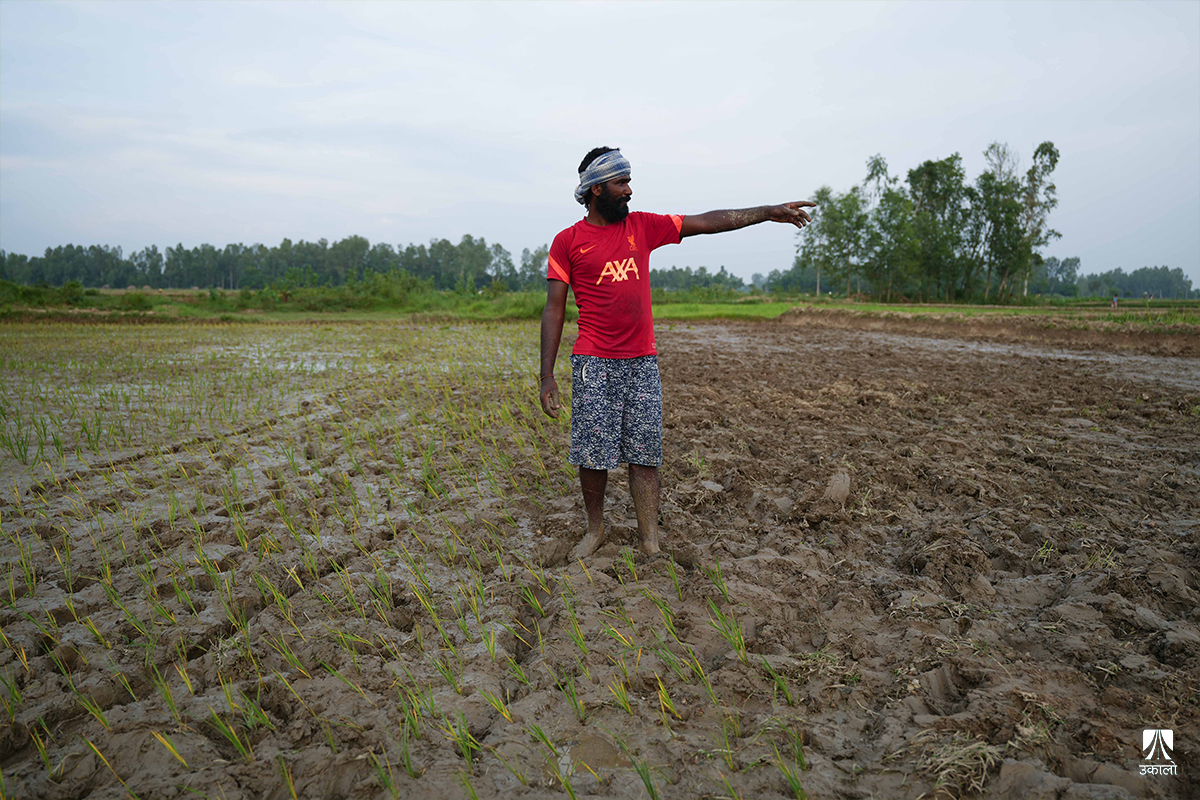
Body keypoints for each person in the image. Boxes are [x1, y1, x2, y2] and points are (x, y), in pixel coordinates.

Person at [538, 146, 815, 557]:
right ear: (596, 189)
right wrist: (547, 375)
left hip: (642, 363)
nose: (629, 191)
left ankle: (650, 541)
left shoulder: (644, 227)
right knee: (593, 455)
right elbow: (554, 309)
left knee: (645, 454)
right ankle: (595, 530)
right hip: (594, 363)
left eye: (629, 181)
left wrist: (767, 211)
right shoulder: (568, 242)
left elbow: (706, 222)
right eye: (621, 182)